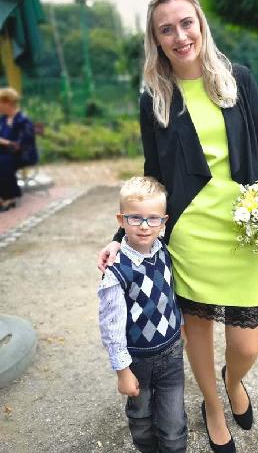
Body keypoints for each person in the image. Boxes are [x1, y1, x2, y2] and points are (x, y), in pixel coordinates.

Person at [98, 0, 258, 453]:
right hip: (190, 234)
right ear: (156, 40)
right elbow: (153, 174)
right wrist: (123, 237)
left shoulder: (238, 80)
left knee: (246, 346)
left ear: (200, 25)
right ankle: (213, 408)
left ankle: (232, 381)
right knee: (196, 333)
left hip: (244, 229)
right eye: (166, 29)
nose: (179, 36)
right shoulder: (154, 99)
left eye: (186, 23)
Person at [98, 176, 187, 453]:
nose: (145, 226)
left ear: (164, 221)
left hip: (171, 353)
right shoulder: (116, 271)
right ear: (121, 220)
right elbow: (111, 328)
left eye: (153, 219)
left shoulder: (164, 252)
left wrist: (180, 326)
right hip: (138, 360)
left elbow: (170, 295)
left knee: (174, 423)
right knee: (141, 417)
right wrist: (122, 371)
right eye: (135, 218)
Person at [0, 88, 38, 212]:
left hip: (24, 154)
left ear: (7, 102)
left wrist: (4, 142)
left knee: (3, 162)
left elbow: (23, 145)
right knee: (3, 160)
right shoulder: (2, 120)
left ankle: (10, 197)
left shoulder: (23, 121)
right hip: (6, 153)